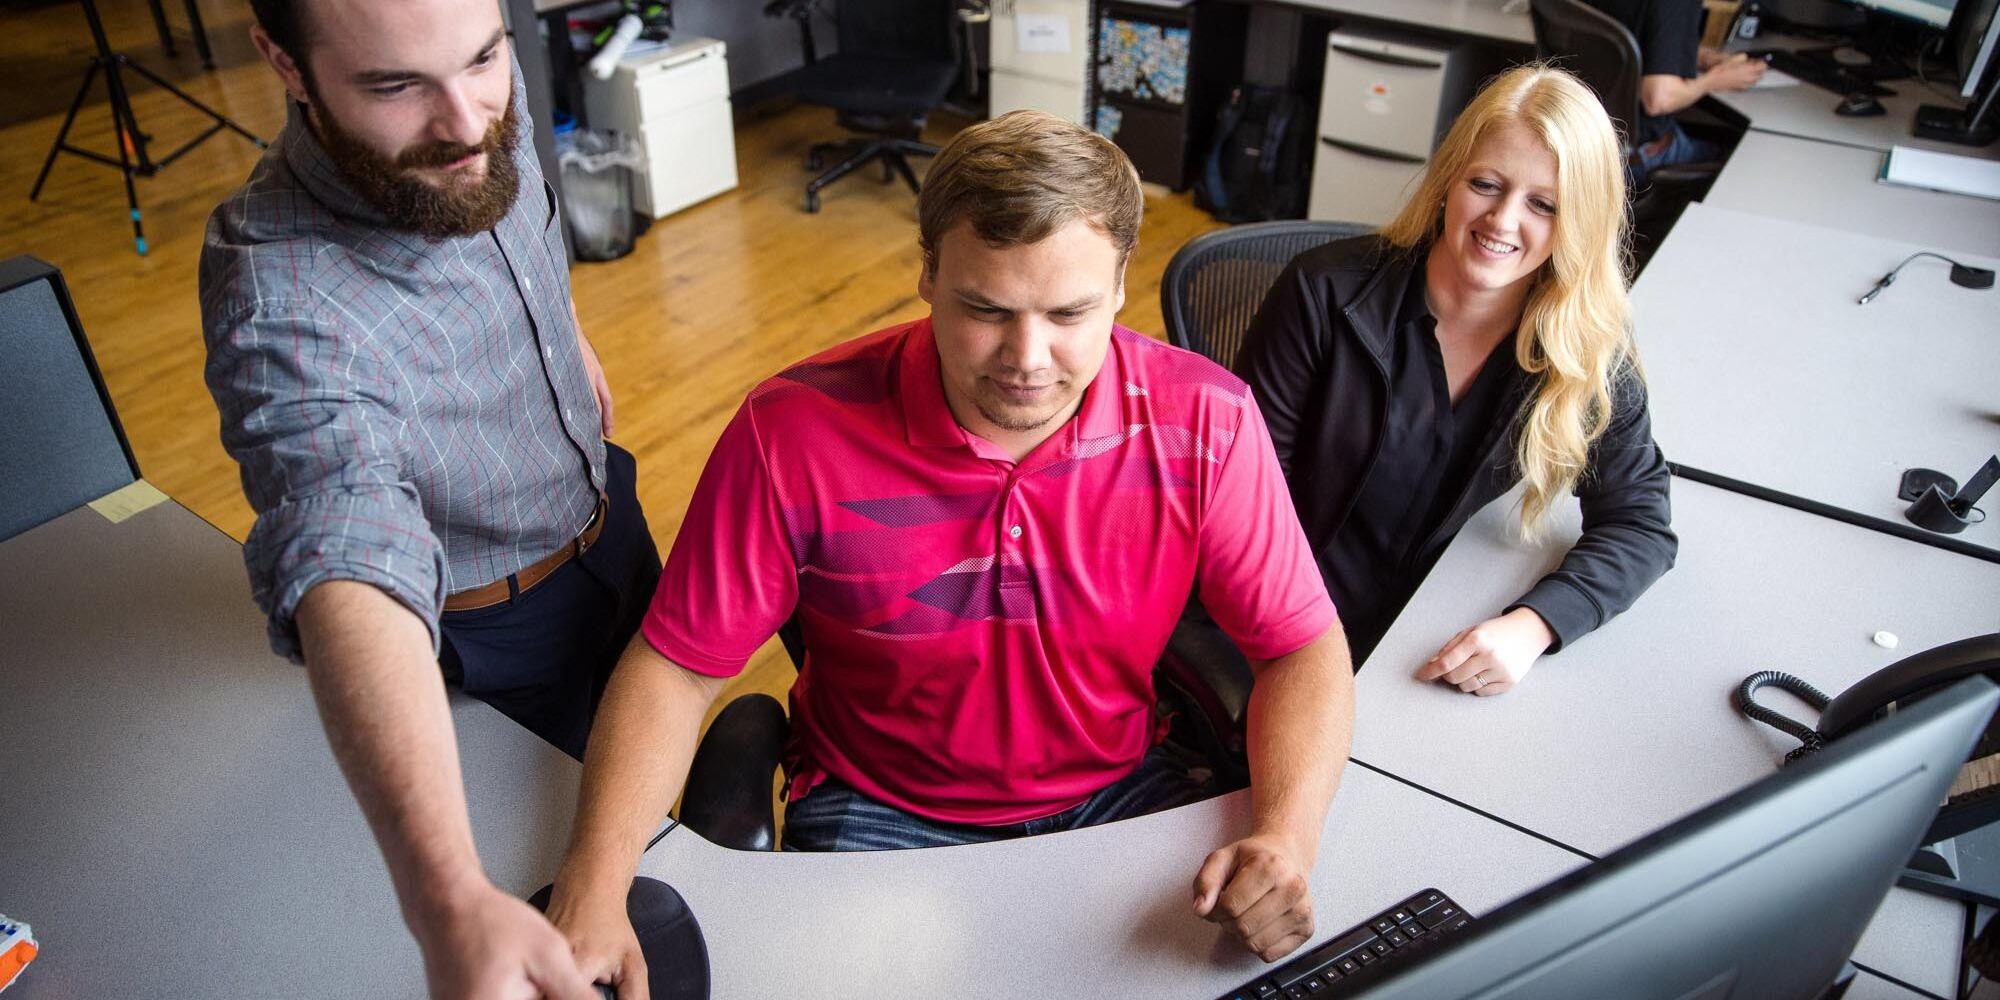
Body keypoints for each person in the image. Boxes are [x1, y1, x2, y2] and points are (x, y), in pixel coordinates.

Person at [542, 111, 1355, 996]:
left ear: (1122, 282)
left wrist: (1286, 836)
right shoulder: (793, 433)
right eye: (985, 309)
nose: (1027, 360)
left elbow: (1301, 646)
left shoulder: (1207, 421)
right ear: (927, 272)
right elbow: (676, 667)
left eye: (1070, 313)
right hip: (881, 802)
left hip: (1117, 788)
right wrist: (593, 884)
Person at [198, 0, 659, 995]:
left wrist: (558, 331)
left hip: (608, 521)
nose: (464, 122)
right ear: (284, 61)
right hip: (501, 639)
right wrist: (447, 897)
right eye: (394, 85)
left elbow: (513, 209)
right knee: (580, 893)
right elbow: (340, 541)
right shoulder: (280, 297)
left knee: (659, 814)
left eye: (484, 58)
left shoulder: (474, 93)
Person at [1234, 65, 1676, 695]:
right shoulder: (1322, 294)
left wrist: (1535, 625)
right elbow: (1243, 499)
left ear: (1578, 220)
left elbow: (1640, 522)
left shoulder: (1582, 346)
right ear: (1449, 180)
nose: (1502, 220)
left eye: (1543, 204)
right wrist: (1307, 655)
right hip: (1290, 624)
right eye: (1486, 184)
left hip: (1432, 641)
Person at [1585, 0, 1766, 176]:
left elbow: (1625, 34)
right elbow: (1659, 99)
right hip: (1630, 161)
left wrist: (1701, 57)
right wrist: (1718, 79)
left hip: (1581, 140)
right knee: (1743, 161)